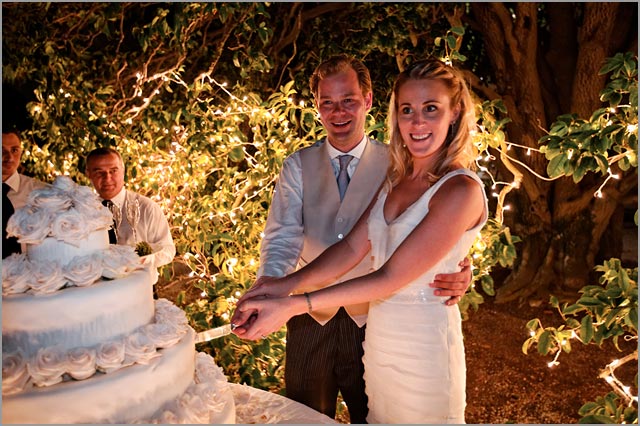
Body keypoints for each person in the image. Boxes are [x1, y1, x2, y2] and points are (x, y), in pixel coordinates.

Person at [232, 58, 488, 424]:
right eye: (407, 110)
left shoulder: (458, 188)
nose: (416, 122)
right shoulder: (397, 178)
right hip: (379, 342)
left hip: (417, 345)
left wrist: (293, 303)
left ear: (455, 112)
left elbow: (391, 277)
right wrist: (276, 286)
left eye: (431, 109)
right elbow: (351, 247)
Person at [85, 147, 176, 283]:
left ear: (123, 171)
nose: (107, 178)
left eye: (113, 171)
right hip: (100, 291)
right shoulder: (85, 210)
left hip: (141, 290)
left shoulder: (146, 208)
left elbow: (168, 250)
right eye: (99, 173)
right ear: (88, 174)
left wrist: (145, 259)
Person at [2, 130, 48, 258]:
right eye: (2, 150)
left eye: (14, 150)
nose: (9, 157)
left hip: (29, 273)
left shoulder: (42, 193)